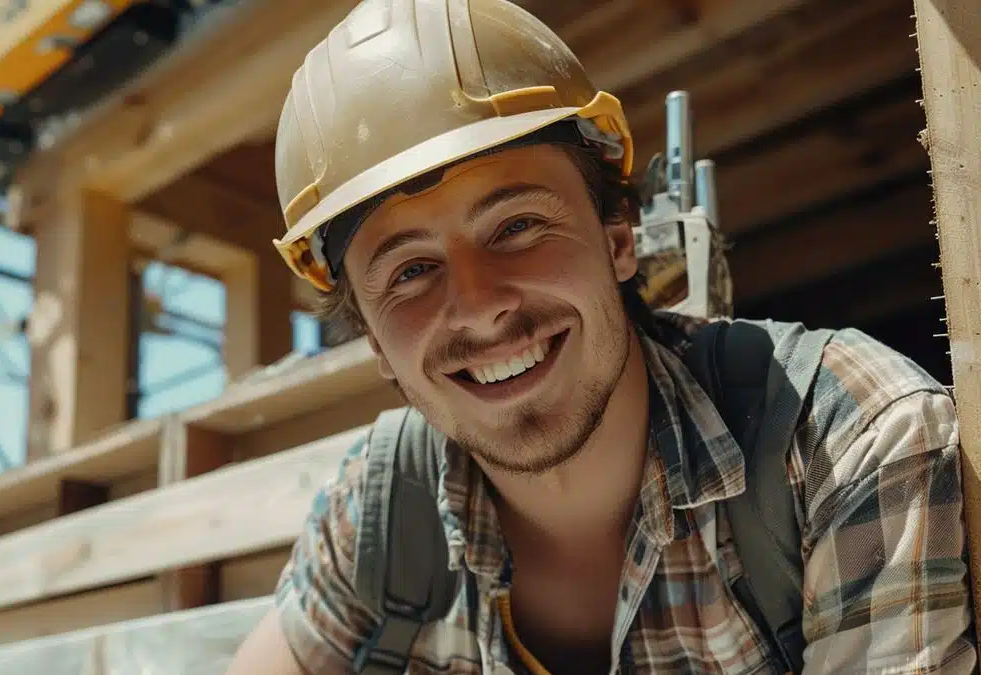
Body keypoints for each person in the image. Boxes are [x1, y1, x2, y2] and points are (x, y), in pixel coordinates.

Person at [226, 0, 976, 672]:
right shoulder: (383, 508)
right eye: (411, 271)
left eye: (517, 226)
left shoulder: (838, 440)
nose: (481, 308)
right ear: (378, 346)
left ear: (619, 237)